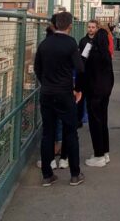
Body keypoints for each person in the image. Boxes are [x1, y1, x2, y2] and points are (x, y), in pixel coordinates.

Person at [33, 12, 85, 187]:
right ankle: (75, 174)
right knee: (70, 132)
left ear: (55, 25)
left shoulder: (44, 44)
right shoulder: (70, 44)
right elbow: (80, 68)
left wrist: (46, 83)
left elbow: (37, 68)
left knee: (48, 133)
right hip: (64, 93)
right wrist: (77, 89)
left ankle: (47, 175)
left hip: (47, 93)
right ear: (69, 25)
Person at [82, 20, 115, 168]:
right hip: (105, 92)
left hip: (93, 91)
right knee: (103, 121)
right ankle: (104, 152)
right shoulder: (106, 55)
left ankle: (99, 155)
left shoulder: (90, 51)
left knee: (95, 123)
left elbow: (82, 67)